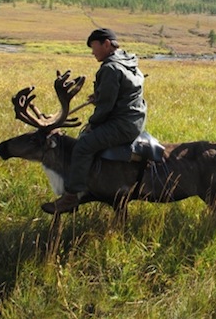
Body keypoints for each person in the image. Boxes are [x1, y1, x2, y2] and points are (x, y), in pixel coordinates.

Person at [41, 28, 147, 214]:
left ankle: (71, 197)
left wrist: (93, 123)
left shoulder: (110, 68)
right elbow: (122, 92)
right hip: (135, 120)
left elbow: (106, 107)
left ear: (106, 44)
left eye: (94, 47)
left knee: (82, 145)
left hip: (122, 124)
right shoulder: (129, 61)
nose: (92, 52)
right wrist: (100, 95)